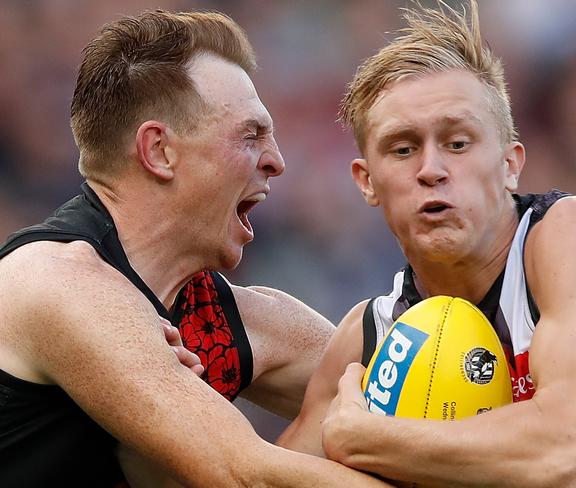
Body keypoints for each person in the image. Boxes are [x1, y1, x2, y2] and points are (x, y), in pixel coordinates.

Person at [0, 10, 392, 488]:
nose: (277, 161)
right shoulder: (54, 281)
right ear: (159, 151)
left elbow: (421, 408)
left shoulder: (237, 320)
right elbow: (245, 477)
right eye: (250, 135)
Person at [277, 1, 576, 486]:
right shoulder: (369, 338)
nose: (431, 169)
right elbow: (270, 476)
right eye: (403, 148)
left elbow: (573, 458)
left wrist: (369, 440)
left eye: (458, 143)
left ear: (511, 164)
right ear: (366, 182)